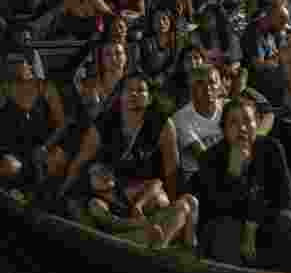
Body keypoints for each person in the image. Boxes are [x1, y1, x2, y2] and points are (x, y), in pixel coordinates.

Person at [188, 98, 291, 273]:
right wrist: (233, 173)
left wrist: (251, 226)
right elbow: (217, 207)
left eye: (248, 121)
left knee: (287, 221)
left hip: (260, 220)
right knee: (226, 229)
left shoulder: (272, 149)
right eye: (234, 123)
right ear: (224, 129)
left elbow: (284, 198)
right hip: (223, 224)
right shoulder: (210, 158)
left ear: (257, 123)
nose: (242, 128)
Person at [82, 162, 197, 250]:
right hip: (118, 237)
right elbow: (115, 224)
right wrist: (145, 223)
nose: (105, 174)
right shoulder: (95, 202)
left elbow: (157, 182)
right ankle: (159, 251)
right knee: (154, 230)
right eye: (97, 173)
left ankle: (189, 248)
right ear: (89, 182)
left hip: (143, 226)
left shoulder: (122, 191)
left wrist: (139, 204)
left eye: (106, 171)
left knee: (188, 200)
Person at [0, 49, 67, 188]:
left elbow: (61, 124)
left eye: (18, 62)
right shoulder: (4, 89)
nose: (13, 66)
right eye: (10, 62)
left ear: (30, 65)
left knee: (57, 159)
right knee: (9, 166)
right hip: (14, 150)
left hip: (45, 146)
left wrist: (46, 147)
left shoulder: (46, 87)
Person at [172, 64, 225, 187]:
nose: (207, 88)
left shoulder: (228, 109)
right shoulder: (181, 118)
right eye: (200, 83)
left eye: (212, 82)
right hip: (197, 178)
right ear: (191, 87)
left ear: (220, 86)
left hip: (226, 174)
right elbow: (205, 158)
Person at [240, 0, 290, 104]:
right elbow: (258, 65)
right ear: (271, 16)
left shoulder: (272, 31)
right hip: (257, 82)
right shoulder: (254, 32)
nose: (284, 25)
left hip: (270, 75)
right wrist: (280, 58)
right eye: (282, 20)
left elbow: (276, 55)